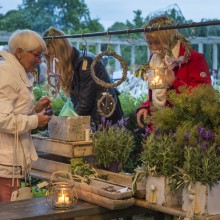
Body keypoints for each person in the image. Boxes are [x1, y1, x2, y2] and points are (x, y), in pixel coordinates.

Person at [0, 29, 52, 202]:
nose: (39, 61)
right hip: (4, 161)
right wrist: (35, 120)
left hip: (10, 159)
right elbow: (2, 119)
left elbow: (14, 112)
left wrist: (35, 109)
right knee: (10, 212)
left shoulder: (15, 71)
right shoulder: (6, 73)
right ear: (19, 52)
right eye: (36, 55)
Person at [136, 15, 211, 128]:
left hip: (184, 132)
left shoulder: (195, 59)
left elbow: (203, 100)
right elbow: (157, 95)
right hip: (157, 129)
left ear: (169, 39)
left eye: (157, 42)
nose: (153, 48)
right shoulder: (155, 60)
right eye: (150, 43)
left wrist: (175, 82)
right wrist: (146, 106)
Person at [43, 27, 123, 127]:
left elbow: (85, 103)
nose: (53, 60)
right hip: (99, 119)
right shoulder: (76, 62)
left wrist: (66, 125)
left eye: (53, 56)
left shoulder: (85, 63)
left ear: (60, 51)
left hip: (104, 121)